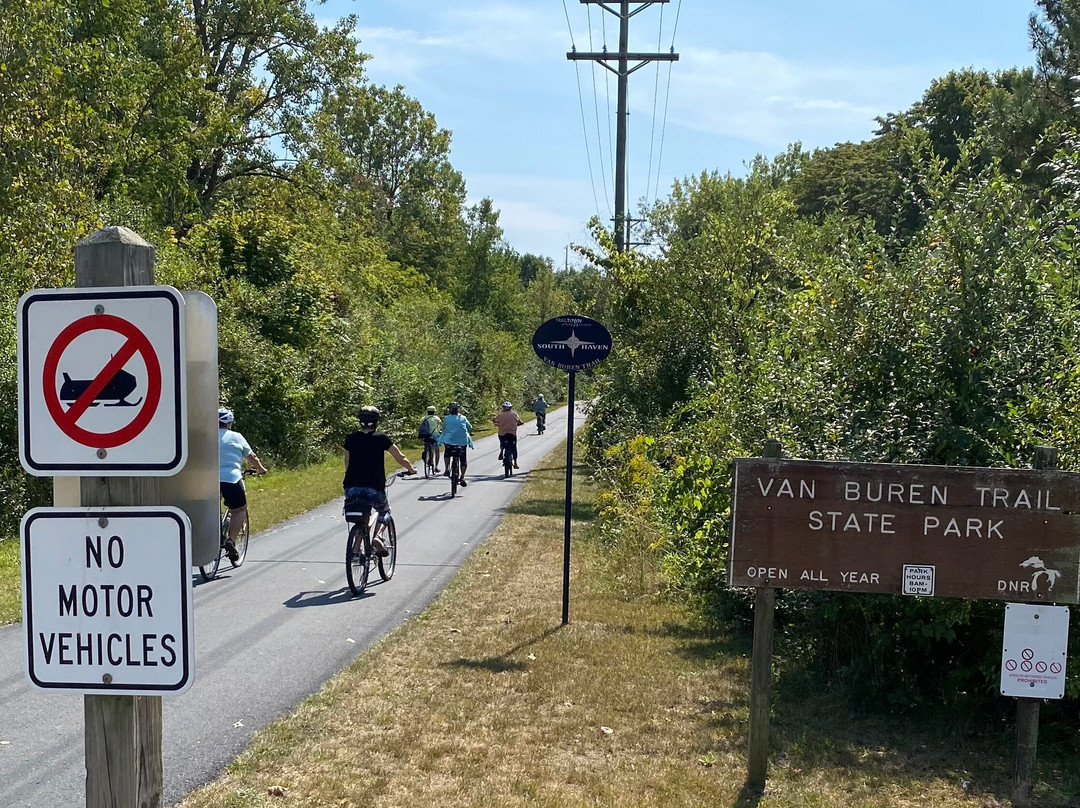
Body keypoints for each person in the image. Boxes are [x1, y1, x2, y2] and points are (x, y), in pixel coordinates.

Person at [343, 406, 416, 556]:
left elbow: (347, 462)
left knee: (362, 518)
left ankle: (356, 549)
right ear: (376, 422)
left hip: (351, 487)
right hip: (373, 488)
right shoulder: (381, 438)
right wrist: (411, 469)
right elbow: (400, 457)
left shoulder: (350, 438)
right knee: (384, 510)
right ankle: (378, 537)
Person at [218, 407, 267, 562]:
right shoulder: (236, 437)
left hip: (207, 479)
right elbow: (251, 456)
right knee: (239, 510)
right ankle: (231, 540)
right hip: (231, 478)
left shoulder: (205, 436)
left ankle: (210, 536)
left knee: (210, 508)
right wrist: (260, 469)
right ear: (229, 423)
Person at [437, 401, 474, 487]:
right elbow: (470, 427)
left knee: (447, 453)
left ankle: (446, 469)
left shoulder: (446, 418)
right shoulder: (463, 418)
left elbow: (444, 428)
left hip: (449, 441)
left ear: (450, 410)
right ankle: (462, 477)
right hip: (462, 442)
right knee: (463, 460)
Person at [493, 400, 524, 469]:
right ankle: (515, 463)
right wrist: (521, 423)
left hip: (502, 434)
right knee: (513, 448)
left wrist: (498, 424)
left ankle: (501, 450)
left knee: (502, 442)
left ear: (503, 408)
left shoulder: (500, 415)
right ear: (510, 408)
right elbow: (519, 421)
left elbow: (494, 420)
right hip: (512, 434)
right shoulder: (514, 414)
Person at [418, 405, 442, 473]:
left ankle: (426, 453)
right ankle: (436, 467)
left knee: (427, 445)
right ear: (434, 411)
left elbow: (421, 426)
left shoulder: (423, 418)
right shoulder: (437, 418)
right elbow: (440, 426)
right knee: (437, 450)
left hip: (425, 435)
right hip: (434, 435)